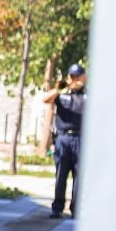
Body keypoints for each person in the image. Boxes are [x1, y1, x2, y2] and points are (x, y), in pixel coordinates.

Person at [43, 63, 86, 218]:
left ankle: (75, 208)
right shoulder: (62, 92)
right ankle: (57, 207)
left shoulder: (87, 94)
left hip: (81, 138)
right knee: (61, 174)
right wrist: (62, 86)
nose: (76, 80)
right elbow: (46, 100)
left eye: (79, 76)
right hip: (63, 138)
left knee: (79, 175)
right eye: (73, 76)